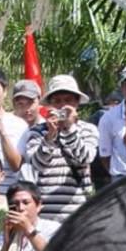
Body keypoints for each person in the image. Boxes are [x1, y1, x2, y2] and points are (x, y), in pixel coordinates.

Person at [24, 75, 99, 224]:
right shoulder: (37, 132)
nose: (63, 106)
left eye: (68, 100)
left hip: (78, 212)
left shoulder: (88, 130)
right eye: (57, 101)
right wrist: (49, 138)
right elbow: (36, 165)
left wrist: (69, 128)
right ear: (49, 105)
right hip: (46, 213)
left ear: (77, 102)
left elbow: (85, 158)